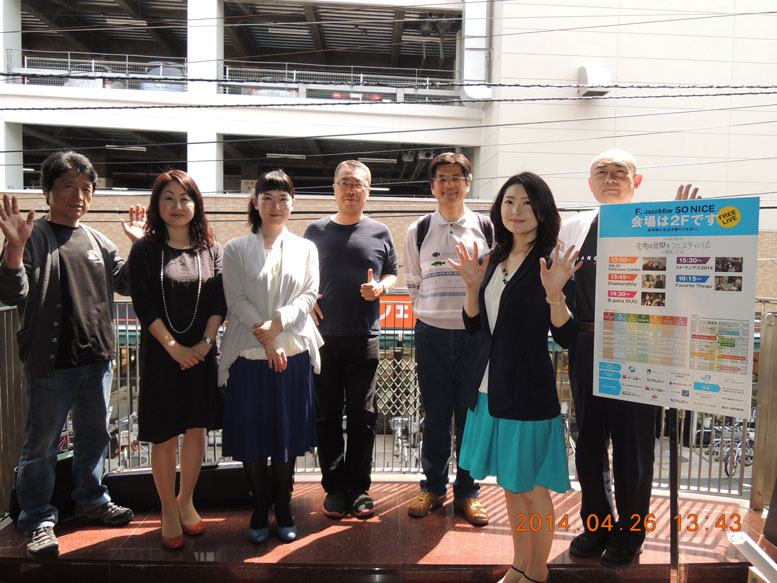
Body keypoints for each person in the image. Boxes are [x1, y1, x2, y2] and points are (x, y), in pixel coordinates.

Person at [559, 149, 698, 568]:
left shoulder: (657, 222)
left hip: (640, 343)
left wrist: (683, 228)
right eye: (601, 172)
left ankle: (631, 533)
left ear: (636, 182)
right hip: (586, 343)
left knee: (634, 448)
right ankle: (597, 526)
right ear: (590, 184)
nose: (610, 178)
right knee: (588, 442)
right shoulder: (574, 227)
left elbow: (681, 279)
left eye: (620, 171)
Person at [0, 151, 141, 559]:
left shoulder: (98, 240)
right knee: (41, 446)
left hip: (97, 359)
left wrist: (138, 245)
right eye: (68, 186)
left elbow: (127, 284)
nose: (79, 195)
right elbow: (12, 292)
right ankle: (37, 519)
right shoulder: (33, 236)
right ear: (47, 192)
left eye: (86, 188)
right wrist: (14, 249)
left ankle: (91, 500)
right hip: (51, 365)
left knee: (96, 436)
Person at [452, 172, 580, 583]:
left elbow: (567, 335)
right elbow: (475, 326)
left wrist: (555, 294)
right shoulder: (493, 257)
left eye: (526, 202)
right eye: (509, 201)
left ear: (542, 210)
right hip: (488, 391)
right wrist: (472, 289)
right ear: (498, 210)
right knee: (510, 486)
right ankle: (519, 564)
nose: (517, 210)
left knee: (531, 490)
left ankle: (537, 572)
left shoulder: (551, 261)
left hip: (526, 392)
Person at [219, 170, 322, 544]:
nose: (276, 206)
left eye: (283, 199)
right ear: (255, 203)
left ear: (293, 205)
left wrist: (277, 327)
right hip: (248, 355)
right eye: (268, 198)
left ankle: (283, 503)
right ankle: (259, 505)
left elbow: (308, 295)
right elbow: (235, 300)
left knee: (285, 434)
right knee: (252, 434)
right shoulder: (235, 249)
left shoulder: (306, 248)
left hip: (292, 354)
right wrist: (267, 340)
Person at [127, 170, 226, 549]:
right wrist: (175, 348)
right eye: (168, 197)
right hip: (162, 356)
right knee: (165, 435)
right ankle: (168, 508)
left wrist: (204, 344)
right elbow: (143, 305)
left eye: (185, 198)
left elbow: (219, 302)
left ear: (196, 204)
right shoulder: (145, 250)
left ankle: (186, 501)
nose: (177, 205)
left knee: (197, 430)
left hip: (201, 354)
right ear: (157, 204)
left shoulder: (212, 249)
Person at [303, 160, 398, 519]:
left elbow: (392, 273)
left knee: (363, 416)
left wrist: (381, 288)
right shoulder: (315, 230)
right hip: (322, 338)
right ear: (334, 188)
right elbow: (301, 276)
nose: (351, 189)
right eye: (344, 182)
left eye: (358, 184)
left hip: (364, 337)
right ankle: (334, 488)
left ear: (368, 191)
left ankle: (359, 488)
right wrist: (307, 299)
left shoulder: (380, 231)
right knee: (326, 416)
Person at [404, 152, 491, 526]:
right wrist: (431, 312)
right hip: (431, 335)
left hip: (475, 335)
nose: (449, 184)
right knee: (436, 416)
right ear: (432, 186)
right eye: (441, 178)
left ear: (468, 183)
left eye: (456, 177)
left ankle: (468, 493)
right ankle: (434, 488)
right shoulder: (419, 229)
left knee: (471, 417)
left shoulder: (487, 227)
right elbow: (413, 281)